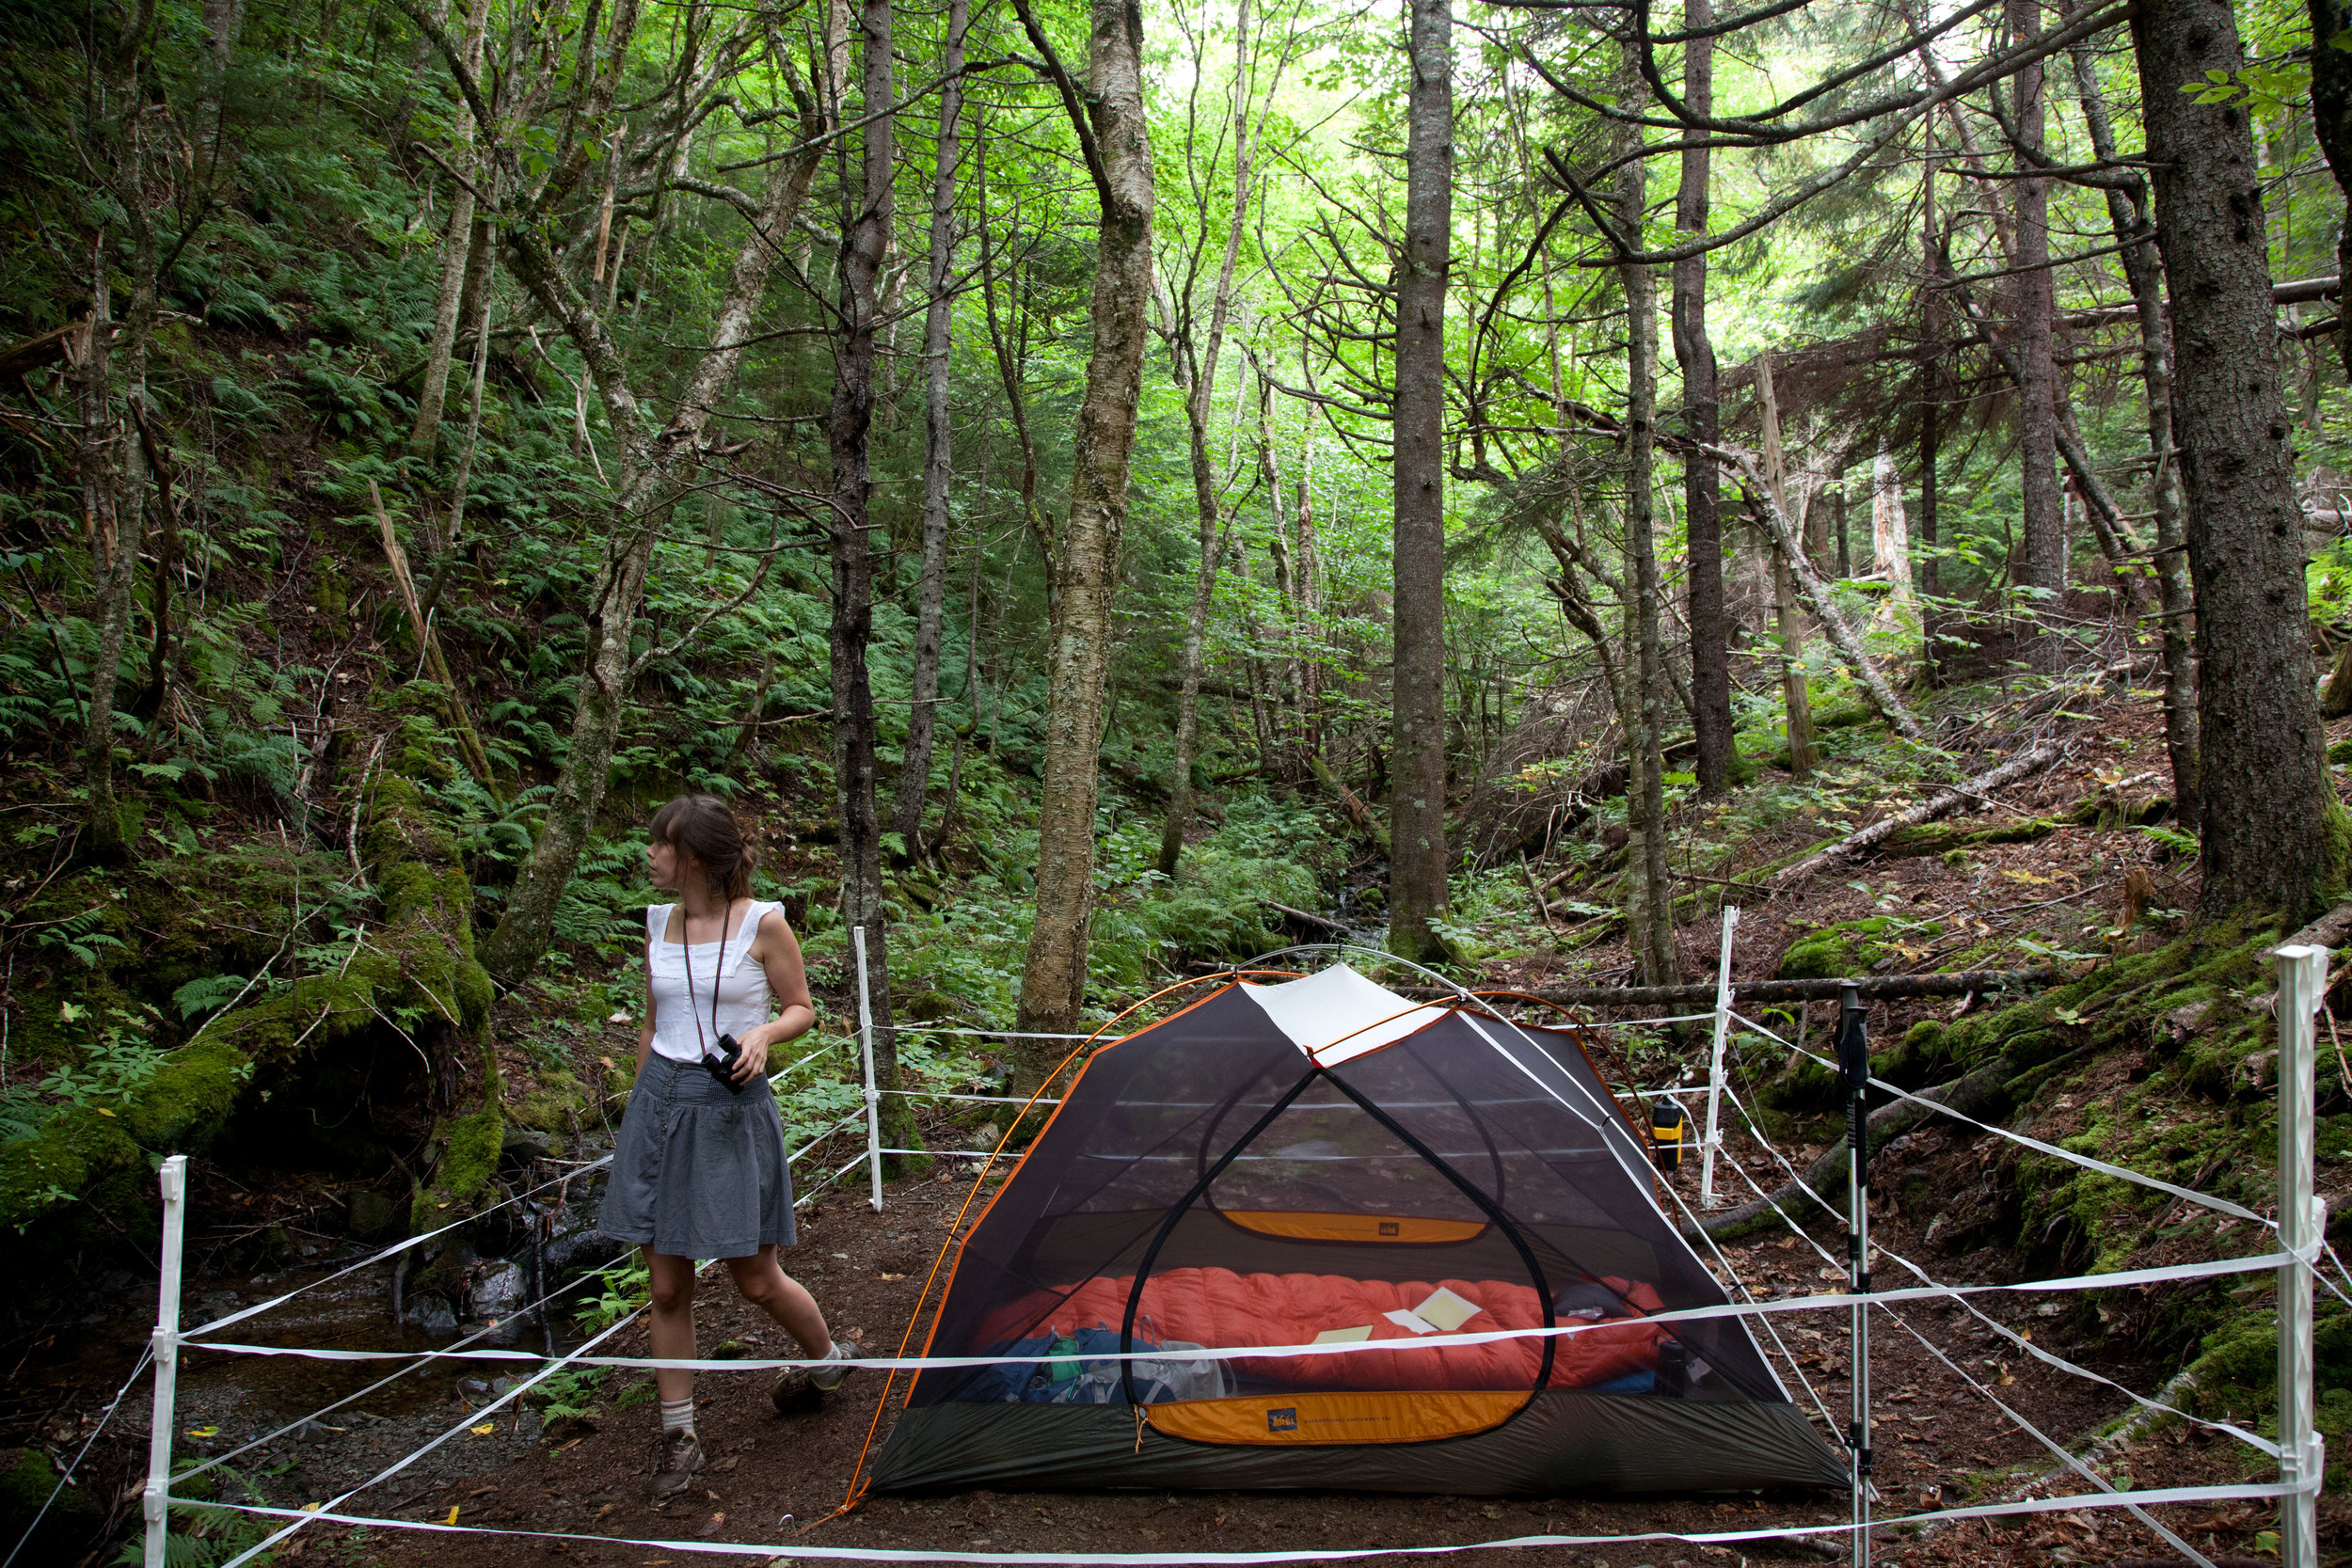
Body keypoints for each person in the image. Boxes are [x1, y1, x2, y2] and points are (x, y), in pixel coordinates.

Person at [597, 792, 853, 1497]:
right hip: (662, 1108)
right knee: (667, 1284)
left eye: (660, 844)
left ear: (696, 858)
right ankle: (678, 1437)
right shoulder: (656, 922)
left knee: (753, 1278)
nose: (649, 854)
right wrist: (641, 1108)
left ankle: (827, 1358)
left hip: (730, 1111)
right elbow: (652, 1024)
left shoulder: (764, 925)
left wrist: (765, 1035)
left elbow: (801, 1006)